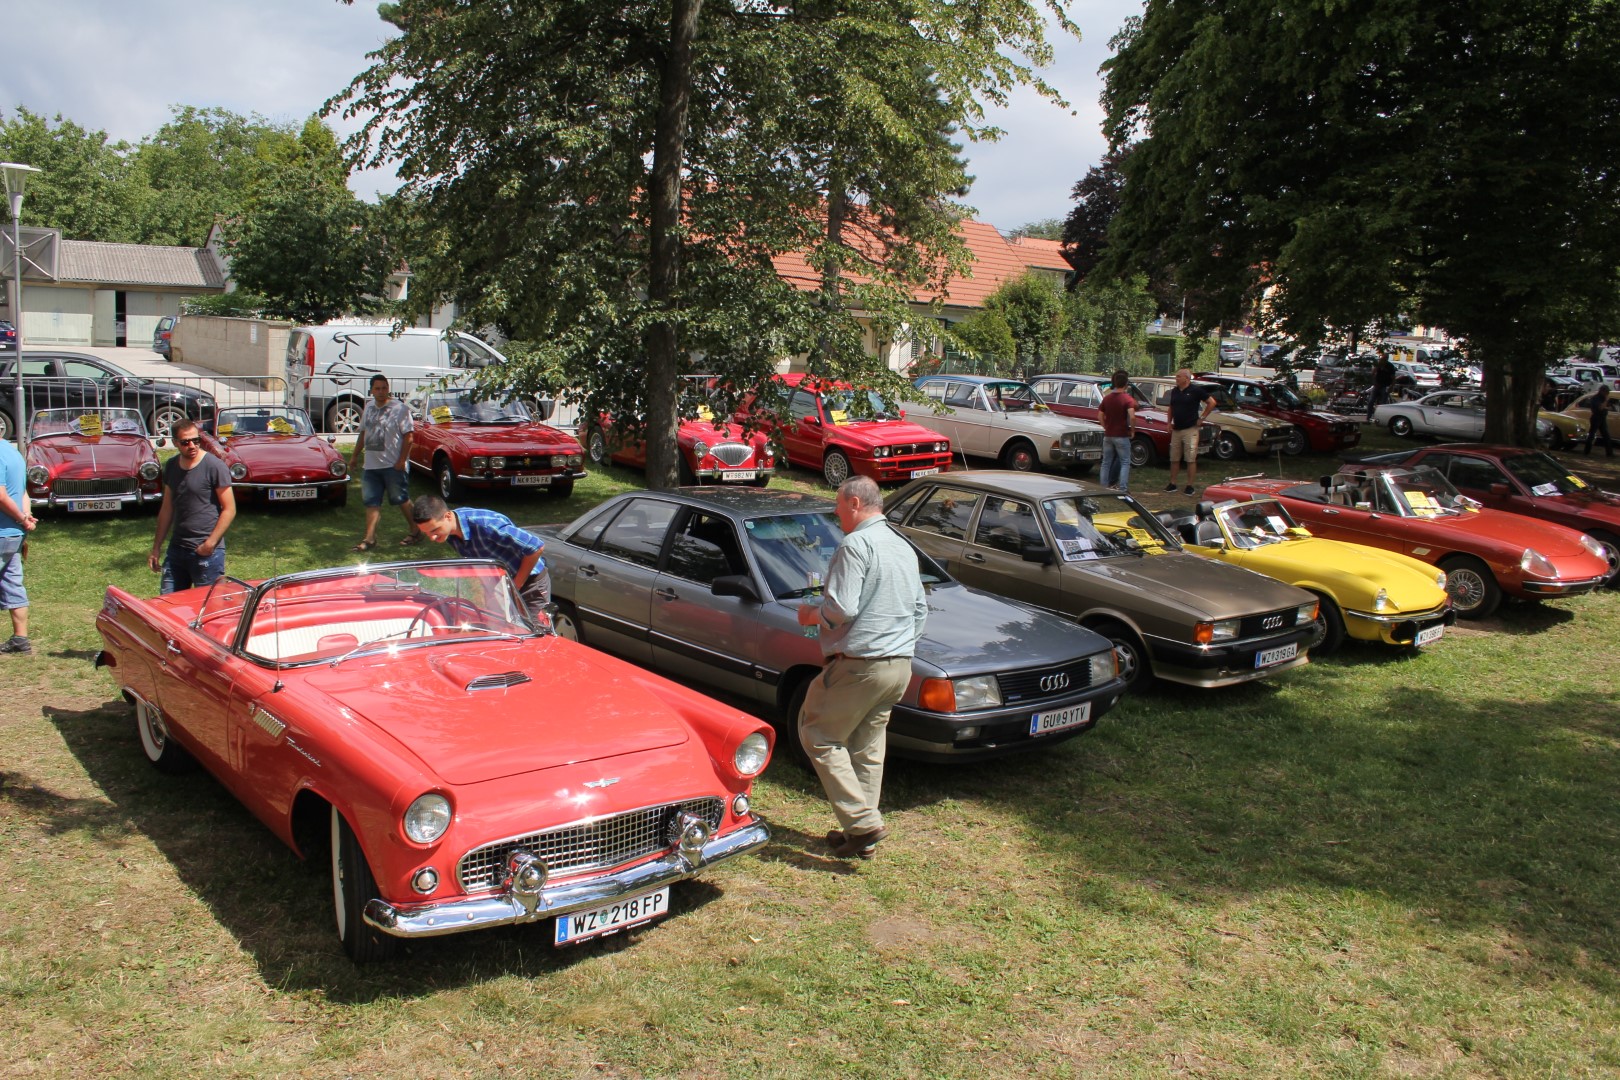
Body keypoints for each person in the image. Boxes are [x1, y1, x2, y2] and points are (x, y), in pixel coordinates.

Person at [794, 475, 928, 860]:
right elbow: (919, 610)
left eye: (838, 505)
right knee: (868, 747)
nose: (836, 513)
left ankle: (862, 823)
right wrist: (899, 645)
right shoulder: (902, 546)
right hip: (899, 665)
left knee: (818, 734)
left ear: (854, 503)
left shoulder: (855, 545)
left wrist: (809, 613)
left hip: (859, 665)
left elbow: (841, 609)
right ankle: (861, 833)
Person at [409, 495, 551, 616]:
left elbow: (536, 546)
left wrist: (515, 586)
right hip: (503, 584)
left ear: (448, 516)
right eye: (426, 533)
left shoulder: (486, 525)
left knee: (534, 634)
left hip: (530, 583)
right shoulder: (449, 532)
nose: (432, 538)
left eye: (434, 530)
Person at [149, 419, 236, 594]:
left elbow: (229, 509)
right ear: (175, 443)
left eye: (196, 440)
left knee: (209, 610)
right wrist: (156, 547)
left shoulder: (214, 466)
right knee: (169, 607)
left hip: (206, 552)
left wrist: (210, 544)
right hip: (177, 550)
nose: (192, 445)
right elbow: (167, 510)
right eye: (185, 442)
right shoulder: (172, 466)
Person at [351, 374, 416, 551]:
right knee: (371, 502)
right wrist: (355, 456)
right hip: (371, 466)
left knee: (401, 499)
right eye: (377, 389)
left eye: (384, 388)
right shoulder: (369, 407)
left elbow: (409, 437)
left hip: (393, 465)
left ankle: (416, 530)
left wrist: (401, 461)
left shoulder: (400, 409)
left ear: (388, 389)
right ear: (371, 390)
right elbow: (363, 433)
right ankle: (369, 538)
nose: (381, 392)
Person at [0, 437, 38, 654]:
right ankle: (20, 640)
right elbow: (23, 491)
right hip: (15, 535)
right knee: (12, 584)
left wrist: (22, 519)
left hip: (3, 531)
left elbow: (1, 496)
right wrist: (26, 516)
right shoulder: (13, 452)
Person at [1164, 368, 1216, 496]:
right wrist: (1169, 422)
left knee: (1190, 458)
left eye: (1178, 377)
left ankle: (1189, 485)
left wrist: (1202, 417)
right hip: (1177, 429)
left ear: (1186, 378)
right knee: (1174, 457)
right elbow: (1171, 407)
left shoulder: (1195, 390)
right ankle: (1173, 483)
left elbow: (1212, 402)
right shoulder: (1175, 391)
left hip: (1190, 429)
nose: (1176, 379)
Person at [1098, 370, 1137, 493]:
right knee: (1125, 461)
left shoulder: (1107, 398)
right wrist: (1132, 430)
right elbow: (1132, 416)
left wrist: (1106, 426)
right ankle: (1123, 488)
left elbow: (1099, 415)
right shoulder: (1127, 399)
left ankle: (1103, 487)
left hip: (1108, 435)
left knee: (1106, 462)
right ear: (1126, 384)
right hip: (1121, 434)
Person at [1583, 385, 1614, 457]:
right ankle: (1586, 451)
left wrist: (1605, 406)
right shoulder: (1596, 398)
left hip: (1602, 418)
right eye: (1606, 392)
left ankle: (1609, 453)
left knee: (1606, 436)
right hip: (1596, 418)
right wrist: (1605, 403)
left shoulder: (1603, 398)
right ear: (1602, 391)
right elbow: (1600, 408)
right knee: (1591, 435)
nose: (1607, 394)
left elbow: (1610, 408)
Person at [1368, 355, 1397, 419]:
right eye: (1381, 359)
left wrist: (1391, 386)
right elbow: (1373, 373)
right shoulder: (1378, 365)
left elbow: (1393, 377)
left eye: (1384, 359)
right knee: (1371, 401)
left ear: (1386, 359)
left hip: (1385, 386)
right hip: (1377, 385)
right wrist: (1373, 381)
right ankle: (1368, 417)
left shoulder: (1390, 366)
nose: (1382, 360)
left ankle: (1380, 417)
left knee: (1383, 403)